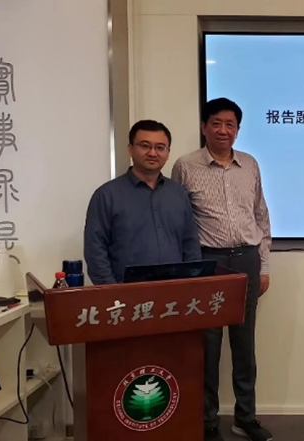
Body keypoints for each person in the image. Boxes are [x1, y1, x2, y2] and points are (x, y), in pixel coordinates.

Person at [171, 98, 273, 441]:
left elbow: (261, 216)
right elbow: (179, 221)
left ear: (238, 130)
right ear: (204, 127)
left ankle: (246, 417)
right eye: (216, 123)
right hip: (208, 261)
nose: (223, 130)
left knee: (244, 344)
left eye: (230, 124)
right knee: (208, 345)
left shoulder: (250, 164)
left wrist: (264, 265)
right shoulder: (186, 166)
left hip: (247, 259)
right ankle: (207, 421)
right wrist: (186, 270)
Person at [84, 119, 202, 285]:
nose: (152, 153)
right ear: (130, 149)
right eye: (145, 146)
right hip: (126, 292)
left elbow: (190, 244)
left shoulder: (178, 193)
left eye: (160, 147)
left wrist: (192, 282)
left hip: (175, 290)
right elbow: (95, 250)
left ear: (168, 153)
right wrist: (112, 291)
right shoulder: (106, 195)